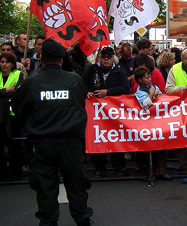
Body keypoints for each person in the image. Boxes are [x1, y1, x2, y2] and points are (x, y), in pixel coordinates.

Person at [11, 39, 93, 226]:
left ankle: (48, 222)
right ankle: (82, 219)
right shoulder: (74, 80)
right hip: (70, 144)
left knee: (45, 187)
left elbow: (19, 109)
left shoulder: (32, 82)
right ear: (61, 60)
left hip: (41, 144)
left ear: (41, 58)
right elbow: (80, 104)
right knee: (76, 184)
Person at [82, 47, 130, 178]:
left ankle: (119, 167)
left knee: (116, 139)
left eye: (109, 57)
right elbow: (81, 85)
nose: (106, 59)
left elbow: (126, 88)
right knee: (97, 139)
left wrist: (107, 92)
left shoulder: (119, 71)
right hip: (96, 114)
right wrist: (87, 92)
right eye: (104, 57)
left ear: (113, 58)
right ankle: (100, 168)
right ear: (100, 58)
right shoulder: (92, 70)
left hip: (114, 114)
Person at [133, 67, 171, 180]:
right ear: (140, 80)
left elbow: (160, 96)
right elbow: (144, 105)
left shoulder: (153, 86)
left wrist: (156, 93)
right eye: (146, 77)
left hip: (158, 121)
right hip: (146, 123)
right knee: (149, 148)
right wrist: (151, 95)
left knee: (161, 147)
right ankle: (150, 170)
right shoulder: (139, 91)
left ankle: (161, 170)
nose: (149, 79)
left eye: (149, 77)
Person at [0, 53, 24, 181]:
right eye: (2, 62)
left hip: (12, 115)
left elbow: (18, 92)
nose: (4, 64)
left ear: (12, 64)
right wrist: (5, 91)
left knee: (15, 145)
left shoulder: (18, 75)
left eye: (7, 62)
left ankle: (15, 172)